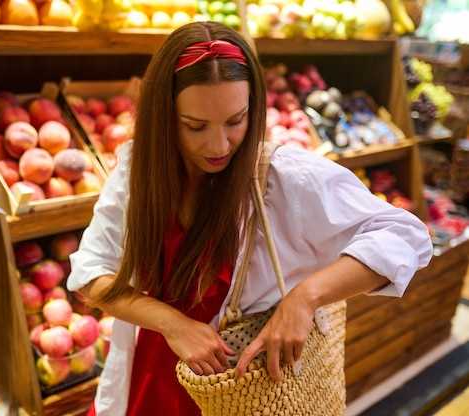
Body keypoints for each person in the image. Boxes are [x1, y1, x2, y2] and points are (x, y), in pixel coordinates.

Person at [67, 22, 433, 416]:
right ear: (163, 115)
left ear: (254, 109)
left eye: (235, 121)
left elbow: (405, 234)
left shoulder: (283, 176)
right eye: (195, 127)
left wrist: (306, 297)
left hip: (244, 391)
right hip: (152, 377)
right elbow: (91, 275)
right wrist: (172, 324)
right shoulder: (138, 171)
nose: (218, 145)